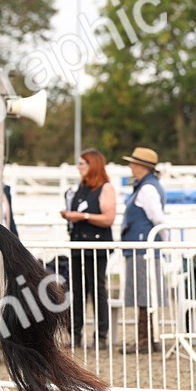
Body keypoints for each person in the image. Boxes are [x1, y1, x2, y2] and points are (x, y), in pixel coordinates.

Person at [59, 149, 116, 349]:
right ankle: (75, 333)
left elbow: (108, 218)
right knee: (76, 290)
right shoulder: (81, 188)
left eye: (83, 163)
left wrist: (82, 217)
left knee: (97, 289)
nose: (79, 167)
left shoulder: (105, 188)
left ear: (93, 165)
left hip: (96, 246)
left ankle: (101, 336)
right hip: (77, 244)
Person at [119, 146, 166, 351]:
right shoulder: (145, 186)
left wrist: (164, 240)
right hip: (141, 246)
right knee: (144, 293)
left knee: (144, 293)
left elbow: (157, 218)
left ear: (142, 166)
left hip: (143, 247)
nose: (130, 166)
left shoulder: (147, 189)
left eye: (133, 163)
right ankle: (148, 337)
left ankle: (145, 339)